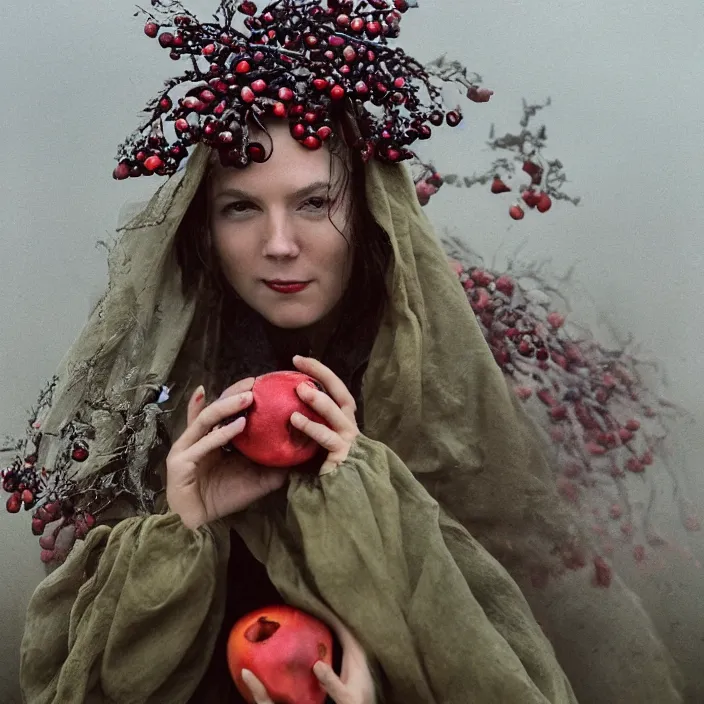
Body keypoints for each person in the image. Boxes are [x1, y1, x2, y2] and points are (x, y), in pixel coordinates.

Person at [17, 1, 683, 702]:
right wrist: (179, 527)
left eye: (313, 204)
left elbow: (518, 653)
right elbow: (79, 682)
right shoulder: (164, 410)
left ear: (366, 217)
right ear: (203, 230)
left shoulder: (445, 406)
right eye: (241, 207)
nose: (279, 244)